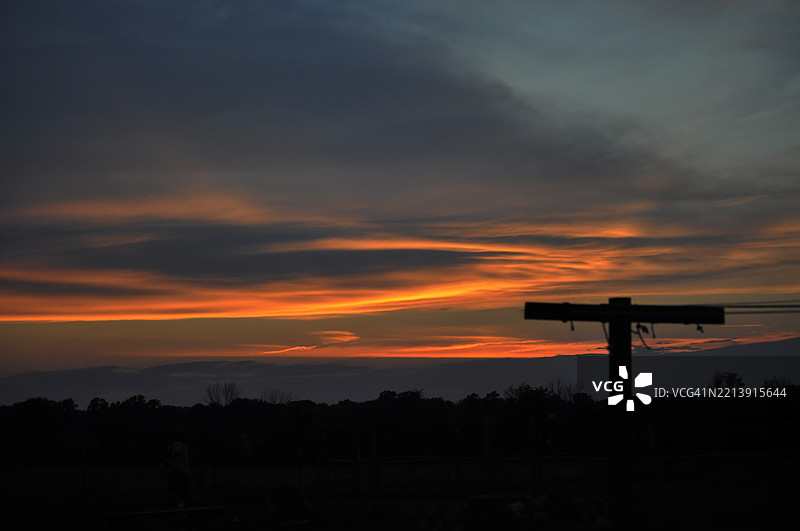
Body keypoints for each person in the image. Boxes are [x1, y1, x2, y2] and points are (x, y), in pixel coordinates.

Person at [163, 437, 190, 508]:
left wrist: (168, 460)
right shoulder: (184, 446)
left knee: (170, 490)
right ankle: (181, 506)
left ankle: (178, 505)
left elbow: (177, 452)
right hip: (184, 473)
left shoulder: (176, 444)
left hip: (178, 472)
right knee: (181, 492)